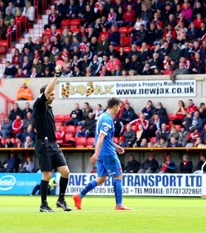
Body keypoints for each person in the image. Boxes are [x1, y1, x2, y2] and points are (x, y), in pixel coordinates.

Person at [73, 97, 132, 210]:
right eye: (119, 107)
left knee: (101, 178)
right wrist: (96, 153)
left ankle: (79, 196)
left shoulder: (102, 117)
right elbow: (101, 137)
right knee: (118, 175)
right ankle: (119, 204)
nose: (119, 109)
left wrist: (116, 146)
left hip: (103, 151)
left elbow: (106, 138)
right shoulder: (107, 119)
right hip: (107, 153)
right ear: (115, 106)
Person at [33, 62, 72, 212]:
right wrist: (56, 76)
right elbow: (48, 90)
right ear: (45, 95)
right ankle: (43, 204)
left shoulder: (49, 109)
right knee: (47, 175)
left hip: (54, 145)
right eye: (52, 94)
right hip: (43, 145)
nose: (54, 96)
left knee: (65, 172)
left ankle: (61, 200)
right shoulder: (39, 105)